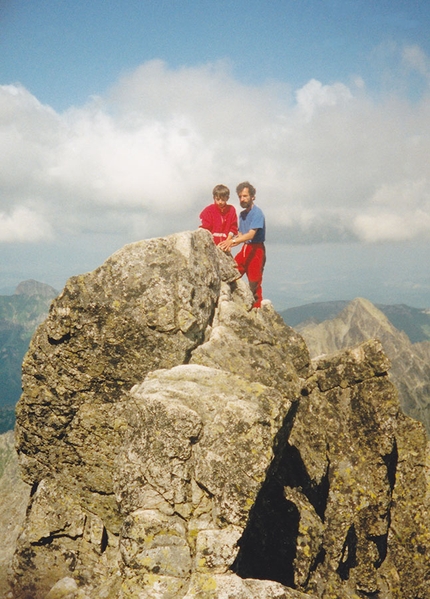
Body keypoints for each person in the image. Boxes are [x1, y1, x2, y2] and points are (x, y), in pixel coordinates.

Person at [220, 181, 265, 308]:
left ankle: (257, 311)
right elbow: (241, 235)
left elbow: (251, 235)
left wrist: (232, 241)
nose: (242, 199)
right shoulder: (242, 215)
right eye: (240, 196)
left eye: (245, 196)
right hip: (245, 248)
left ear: (252, 196)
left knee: (254, 283)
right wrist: (228, 243)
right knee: (231, 273)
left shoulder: (257, 213)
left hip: (256, 249)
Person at [199, 184, 238, 250]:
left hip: (225, 244)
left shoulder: (231, 210)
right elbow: (205, 228)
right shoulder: (209, 210)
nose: (220, 202)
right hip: (211, 245)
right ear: (214, 198)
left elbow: (233, 228)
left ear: (227, 198)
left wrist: (227, 242)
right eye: (218, 199)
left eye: (223, 200)